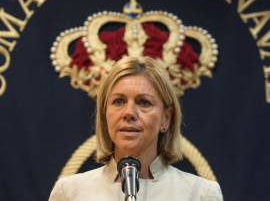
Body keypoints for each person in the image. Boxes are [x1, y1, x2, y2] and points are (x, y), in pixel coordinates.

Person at [49, 56, 223, 200]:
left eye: (144, 102)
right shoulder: (69, 192)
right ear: (104, 114)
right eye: (118, 101)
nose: (129, 113)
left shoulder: (202, 194)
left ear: (166, 118)